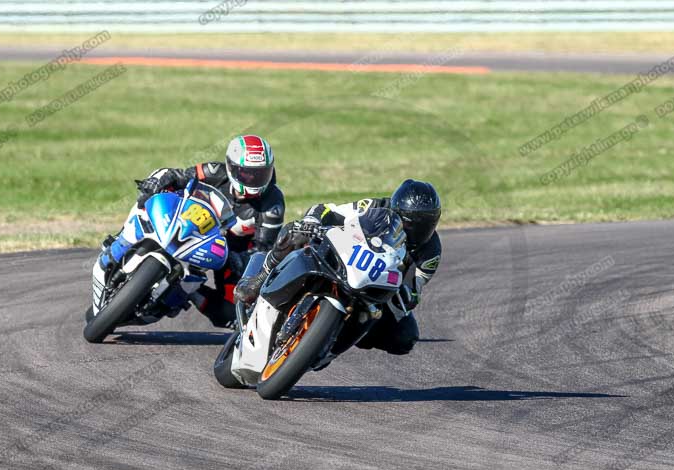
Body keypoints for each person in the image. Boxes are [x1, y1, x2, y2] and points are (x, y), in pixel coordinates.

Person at [234, 179, 442, 355]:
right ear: (396, 209)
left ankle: (333, 341)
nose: (414, 229)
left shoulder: (431, 252)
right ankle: (259, 279)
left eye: (424, 223)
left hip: (374, 287)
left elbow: (413, 290)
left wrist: (407, 295)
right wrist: (311, 221)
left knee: (405, 336)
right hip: (341, 255)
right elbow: (329, 210)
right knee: (295, 233)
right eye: (409, 222)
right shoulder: (376, 206)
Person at [96, 134, 285, 326]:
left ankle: (189, 291)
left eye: (260, 174)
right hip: (190, 222)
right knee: (148, 197)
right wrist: (158, 183)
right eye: (247, 173)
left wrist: (242, 259)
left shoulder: (273, 204)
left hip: (229, 252)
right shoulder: (215, 171)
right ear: (232, 167)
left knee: (230, 313)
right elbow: (179, 177)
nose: (252, 179)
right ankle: (121, 241)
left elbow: (263, 249)